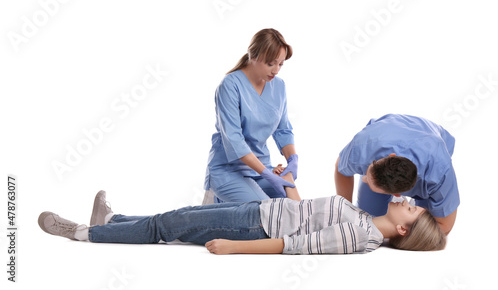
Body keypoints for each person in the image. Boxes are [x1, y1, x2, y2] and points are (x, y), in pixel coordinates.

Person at [38, 170, 446, 254]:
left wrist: (235, 248)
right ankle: (109, 221)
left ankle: (81, 233)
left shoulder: (363, 236)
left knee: (168, 226)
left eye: (412, 208)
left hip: (252, 225)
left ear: (405, 230)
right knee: (175, 218)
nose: (407, 201)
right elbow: (306, 216)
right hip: (261, 210)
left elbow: (297, 243)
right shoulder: (362, 219)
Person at [204, 28, 298, 204]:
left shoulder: (278, 86)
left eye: (281, 64)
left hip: (262, 169)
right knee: (269, 212)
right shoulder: (230, 86)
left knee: (292, 205)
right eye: (271, 64)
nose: (276, 70)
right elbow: (235, 142)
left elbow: (283, 130)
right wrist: (267, 174)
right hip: (229, 171)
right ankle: (221, 200)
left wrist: (293, 160)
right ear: (253, 56)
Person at [335, 114, 460, 234]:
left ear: (396, 194)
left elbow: (444, 226)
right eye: (370, 168)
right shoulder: (363, 147)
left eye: (366, 178)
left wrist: (400, 233)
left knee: (423, 223)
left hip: (433, 143)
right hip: (387, 131)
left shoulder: (440, 173)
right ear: (390, 156)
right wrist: (346, 212)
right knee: (371, 218)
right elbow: (340, 170)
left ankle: (412, 208)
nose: (364, 179)